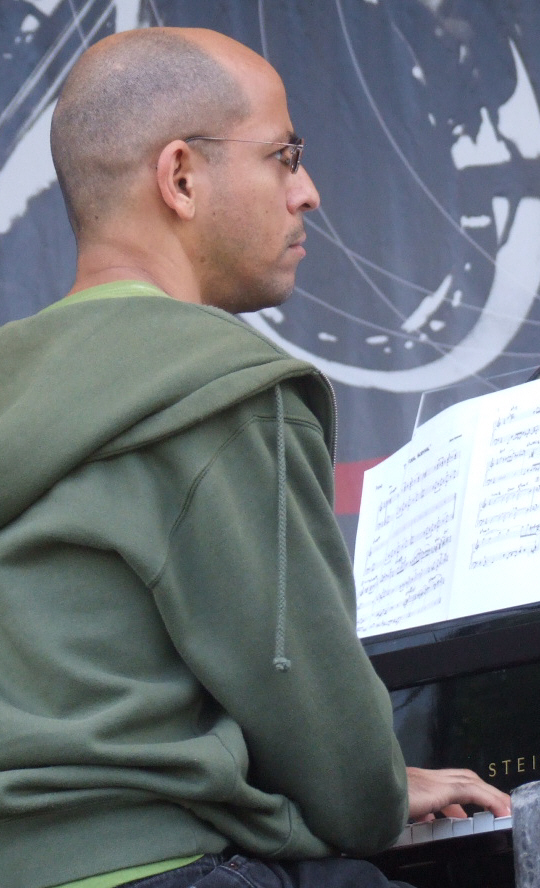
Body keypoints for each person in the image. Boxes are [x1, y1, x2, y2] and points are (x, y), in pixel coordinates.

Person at [0, 26, 510, 888]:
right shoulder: (224, 391)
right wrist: (379, 789)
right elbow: (342, 779)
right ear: (182, 178)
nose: (308, 192)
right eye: (284, 155)